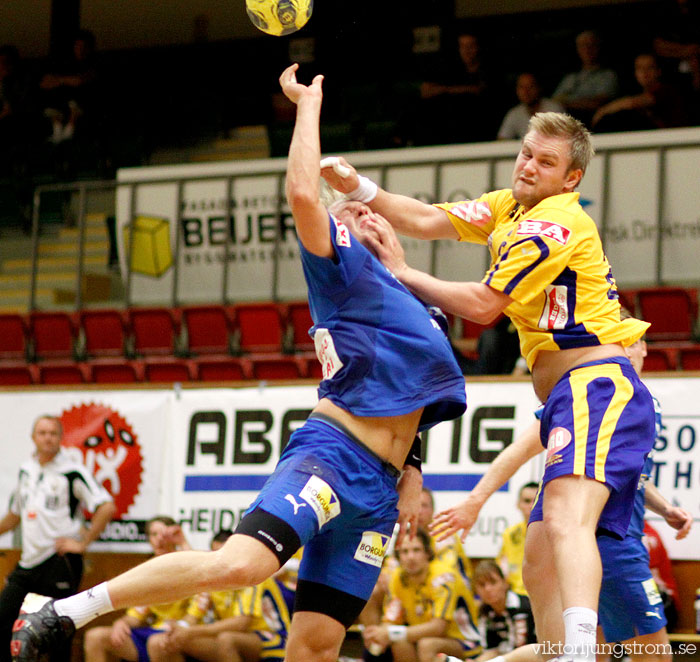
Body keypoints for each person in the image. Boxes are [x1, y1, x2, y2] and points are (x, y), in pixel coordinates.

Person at [11, 63, 467, 662]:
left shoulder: (414, 300)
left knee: (319, 642)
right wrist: (307, 107)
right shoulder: (343, 268)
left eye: (370, 208)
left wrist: (412, 470)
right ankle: (66, 610)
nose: (366, 213)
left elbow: (412, 394)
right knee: (244, 564)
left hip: (380, 489)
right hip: (334, 457)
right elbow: (306, 194)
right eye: (354, 210)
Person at [319, 110, 654, 662]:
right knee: (541, 552)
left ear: (570, 178)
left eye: (546, 162)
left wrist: (402, 272)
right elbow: (426, 218)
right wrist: (358, 187)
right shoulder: (508, 206)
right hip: (567, 397)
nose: (529, 165)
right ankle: (557, 653)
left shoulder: (553, 224)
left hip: (595, 384)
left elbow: (482, 306)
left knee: (570, 526)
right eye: (527, 152)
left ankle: (575, 652)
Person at [415, 330, 691, 662]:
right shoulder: (588, 391)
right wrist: (476, 499)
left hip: (585, 533)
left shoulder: (641, 403)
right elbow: (522, 447)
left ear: (645, 347)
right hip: (602, 539)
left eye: (631, 342)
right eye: (616, 343)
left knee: (573, 652)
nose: (625, 351)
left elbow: (633, 475)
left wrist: (664, 508)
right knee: (652, 655)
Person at [0, 415, 115, 662]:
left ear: (61, 438)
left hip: (59, 560)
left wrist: (83, 543)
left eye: (53, 433)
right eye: (42, 433)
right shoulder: (26, 470)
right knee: (5, 617)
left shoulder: (72, 470)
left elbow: (106, 506)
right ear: (33, 438)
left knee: (58, 631)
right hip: (29, 562)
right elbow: (13, 515)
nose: (47, 438)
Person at [161, 530, 295, 662]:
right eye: (217, 555)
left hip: (273, 638)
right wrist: (179, 628)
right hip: (234, 637)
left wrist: (191, 631)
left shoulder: (254, 575)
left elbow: (241, 623)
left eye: (226, 555)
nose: (222, 561)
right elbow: (195, 614)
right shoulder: (211, 579)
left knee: (226, 640)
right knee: (165, 642)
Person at [82, 516, 194, 662]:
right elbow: (137, 613)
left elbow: (199, 604)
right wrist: (122, 622)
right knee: (95, 637)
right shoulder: (148, 569)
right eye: (154, 534)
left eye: (163, 534)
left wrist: (183, 542)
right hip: (152, 631)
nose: (159, 539)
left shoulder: (184, 562)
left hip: (181, 631)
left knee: (157, 643)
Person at [362, 528, 481, 662]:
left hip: (464, 642)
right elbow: (391, 620)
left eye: (416, 550)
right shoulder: (397, 577)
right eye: (405, 552)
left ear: (427, 553)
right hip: (423, 637)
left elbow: (438, 628)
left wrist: (389, 633)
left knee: (426, 645)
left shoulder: (443, 577)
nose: (410, 557)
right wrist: (378, 635)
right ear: (398, 556)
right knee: (400, 643)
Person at [591, 52, 689, 131]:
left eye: (650, 67)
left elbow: (632, 103)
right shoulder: (639, 92)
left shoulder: (666, 90)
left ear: (658, 71)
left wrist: (602, 111)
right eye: (640, 68)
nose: (644, 72)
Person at [472, 560, 536, 661]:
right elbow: (489, 649)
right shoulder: (484, 611)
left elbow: (519, 648)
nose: (488, 589)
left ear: (505, 583)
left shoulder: (521, 607)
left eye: (493, 582)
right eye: (482, 585)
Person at [552, 30, 620, 126]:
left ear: (598, 47)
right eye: (582, 45)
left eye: (591, 45)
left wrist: (567, 104)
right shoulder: (570, 78)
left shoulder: (607, 76)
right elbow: (553, 103)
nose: (587, 49)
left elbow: (598, 103)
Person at [495, 483, 538, 596]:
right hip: (513, 594)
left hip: (542, 594)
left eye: (536, 501)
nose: (531, 505)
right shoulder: (509, 534)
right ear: (518, 504)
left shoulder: (554, 533)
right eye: (527, 501)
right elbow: (502, 567)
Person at [497, 73, 564, 141]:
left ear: (538, 88)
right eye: (522, 87)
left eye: (530, 86)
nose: (526, 92)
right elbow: (502, 140)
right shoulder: (514, 114)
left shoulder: (554, 109)